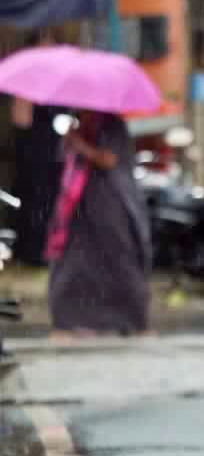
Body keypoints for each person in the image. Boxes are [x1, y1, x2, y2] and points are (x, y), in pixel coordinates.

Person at [46, 111, 152, 338]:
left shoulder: (112, 124)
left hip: (109, 203)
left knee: (119, 263)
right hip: (78, 207)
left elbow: (109, 159)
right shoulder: (80, 123)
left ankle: (134, 322)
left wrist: (80, 144)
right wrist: (70, 142)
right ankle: (67, 322)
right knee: (71, 266)